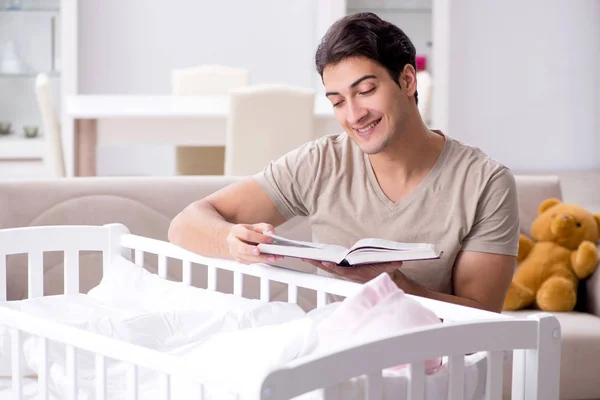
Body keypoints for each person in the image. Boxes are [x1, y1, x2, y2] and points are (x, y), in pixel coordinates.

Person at [168, 12, 519, 313]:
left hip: (425, 370)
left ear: (408, 80)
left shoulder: (485, 183)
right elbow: (184, 225)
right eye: (337, 101)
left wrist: (390, 283)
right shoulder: (320, 162)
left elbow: (481, 321)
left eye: (366, 91)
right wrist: (230, 238)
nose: (354, 115)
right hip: (329, 363)